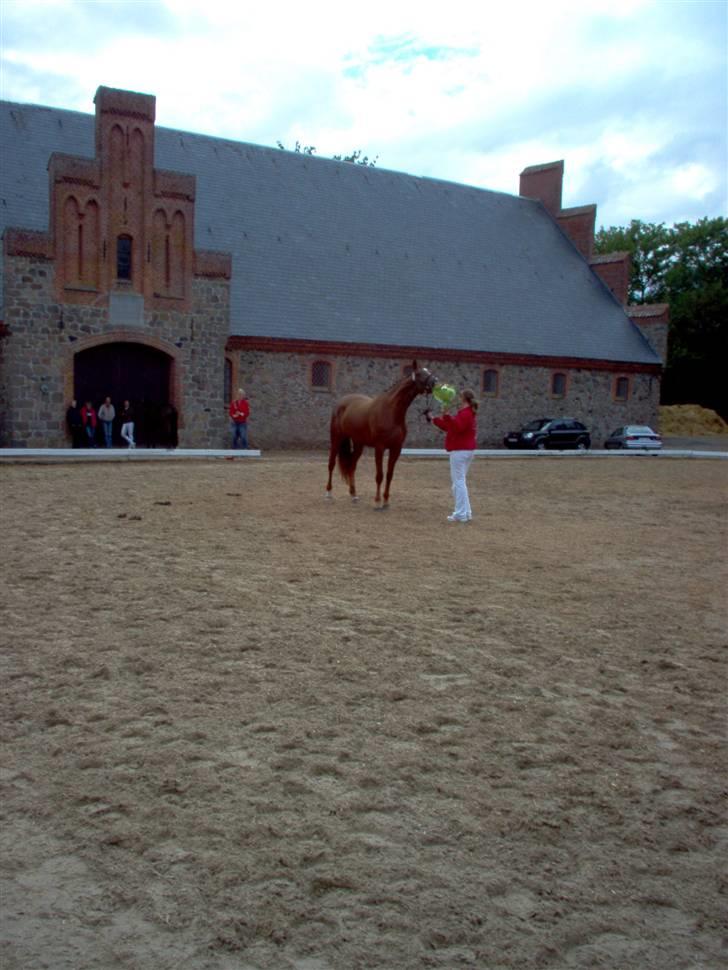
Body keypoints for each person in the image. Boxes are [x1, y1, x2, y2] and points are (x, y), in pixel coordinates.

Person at [427, 388, 478, 522]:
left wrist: (447, 415)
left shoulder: (465, 414)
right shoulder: (467, 413)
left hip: (460, 450)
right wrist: (435, 419)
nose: (458, 400)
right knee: (459, 483)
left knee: (458, 483)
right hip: (466, 450)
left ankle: (461, 514)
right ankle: (466, 512)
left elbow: (457, 427)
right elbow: (449, 427)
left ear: (464, 399)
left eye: (460, 397)